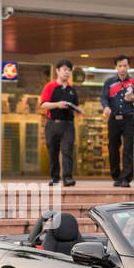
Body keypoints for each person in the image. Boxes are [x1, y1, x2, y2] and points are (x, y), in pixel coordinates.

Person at [101, 54, 134, 187]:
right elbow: (103, 98)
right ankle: (116, 177)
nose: (122, 68)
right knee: (113, 147)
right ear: (116, 67)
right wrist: (106, 107)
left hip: (128, 119)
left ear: (128, 66)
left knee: (128, 148)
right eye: (120, 66)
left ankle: (126, 178)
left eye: (125, 66)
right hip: (113, 119)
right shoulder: (109, 82)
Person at [40, 58, 81, 186]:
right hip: (52, 123)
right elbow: (43, 105)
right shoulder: (50, 87)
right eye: (64, 70)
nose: (67, 73)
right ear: (57, 71)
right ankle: (54, 177)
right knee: (52, 150)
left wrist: (75, 109)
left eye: (69, 70)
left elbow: (76, 106)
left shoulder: (72, 89)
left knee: (67, 150)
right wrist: (58, 104)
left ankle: (68, 177)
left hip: (68, 124)